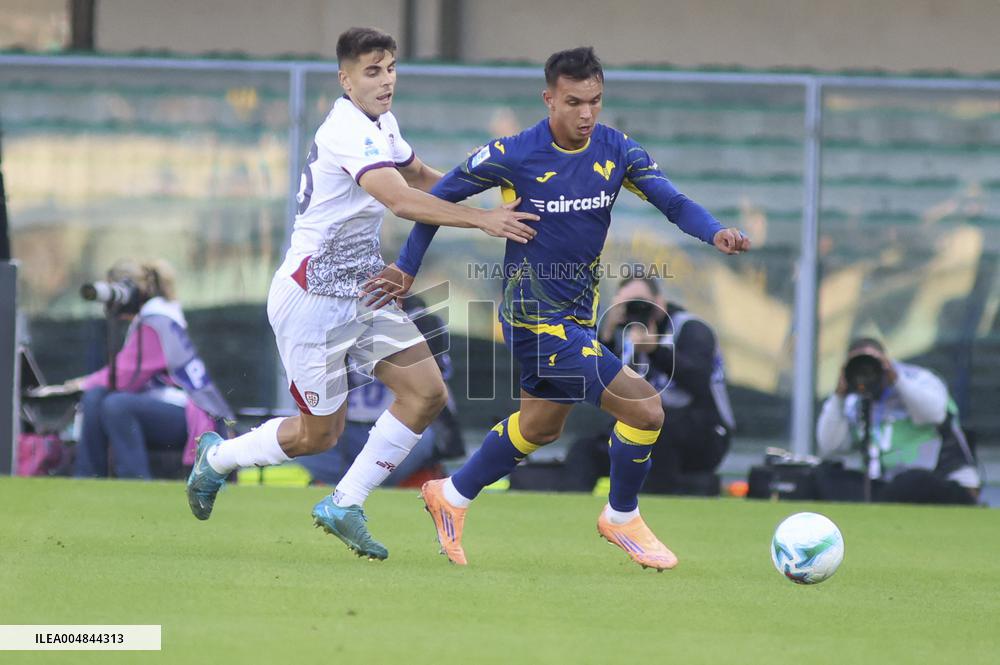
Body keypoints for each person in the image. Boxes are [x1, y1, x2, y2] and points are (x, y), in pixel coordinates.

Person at [364, 47, 750, 569]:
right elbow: (438, 202)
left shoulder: (616, 149)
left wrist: (715, 231)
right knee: (645, 407)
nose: (586, 113)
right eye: (573, 102)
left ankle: (450, 495)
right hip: (533, 318)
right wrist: (407, 267)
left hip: (577, 316)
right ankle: (621, 516)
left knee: (541, 426)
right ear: (549, 99)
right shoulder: (515, 154)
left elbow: (673, 202)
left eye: (595, 101)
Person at [185, 27, 539, 561]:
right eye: (372, 71)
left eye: (391, 68)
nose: (386, 80)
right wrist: (482, 220)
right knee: (318, 436)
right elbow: (400, 199)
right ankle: (218, 458)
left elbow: (421, 177)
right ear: (345, 80)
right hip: (311, 299)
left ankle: (345, 502)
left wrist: (496, 188)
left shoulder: (382, 124)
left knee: (426, 393)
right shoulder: (345, 129)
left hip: (362, 292)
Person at [28, 259, 232, 479]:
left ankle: (134, 479)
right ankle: (87, 476)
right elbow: (125, 372)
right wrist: (89, 386)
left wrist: (81, 384)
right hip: (173, 406)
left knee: (116, 404)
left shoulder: (156, 322)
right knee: (96, 396)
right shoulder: (155, 318)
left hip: (195, 416)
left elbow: (126, 377)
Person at [563, 275, 736, 495]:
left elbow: (699, 381)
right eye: (627, 305)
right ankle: (575, 507)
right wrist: (606, 336)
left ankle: (650, 505)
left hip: (704, 434)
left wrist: (655, 351)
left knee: (658, 433)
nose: (637, 310)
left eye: (642, 302)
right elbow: (597, 385)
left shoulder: (690, 329)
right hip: (644, 430)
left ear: (660, 301)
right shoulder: (626, 337)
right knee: (584, 450)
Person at [295, 295, 465, 485]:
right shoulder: (334, 317)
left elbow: (436, 380)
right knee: (306, 433)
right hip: (344, 427)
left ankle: (361, 486)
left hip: (401, 424)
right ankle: (344, 486)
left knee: (422, 437)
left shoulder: (423, 321)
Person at [815, 337, 981, 505]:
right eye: (858, 364)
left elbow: (934, 413)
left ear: (886, 361)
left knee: (911, 482)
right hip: (881, 484)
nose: (866, 370)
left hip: (939, 479)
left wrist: (896, 379)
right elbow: (829, 446)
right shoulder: (852, 400)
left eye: (872, 362)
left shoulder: (919, 379)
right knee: (821, 476)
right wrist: (838, 396)